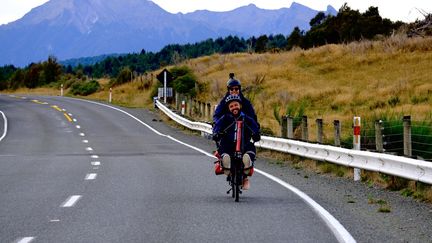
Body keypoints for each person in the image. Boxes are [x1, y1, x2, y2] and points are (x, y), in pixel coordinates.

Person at [212, 94, 260, 190]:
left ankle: (247, 166)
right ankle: (226, 164)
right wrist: (216, 134)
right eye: (231, 106)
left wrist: (256, 134)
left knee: (251, 149)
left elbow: (255, 127)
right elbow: (217, 127)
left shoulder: (246, 118)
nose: (234, 108)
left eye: (236, 105)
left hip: (244, 144)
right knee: (222, 149)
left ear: (240, 106)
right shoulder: (225, 118)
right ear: (228, 108)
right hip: (228, 144)